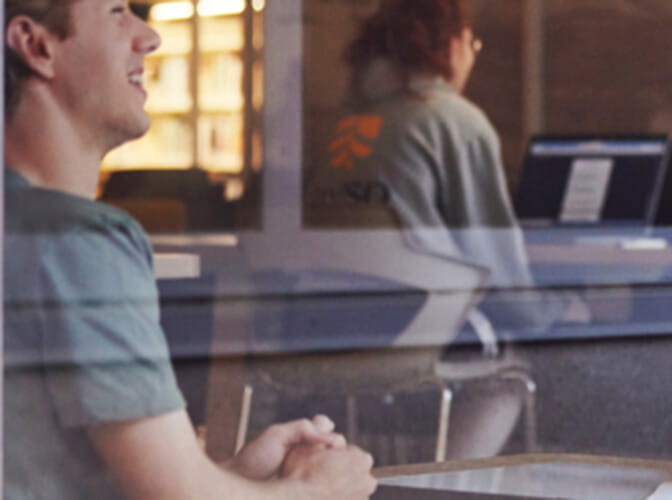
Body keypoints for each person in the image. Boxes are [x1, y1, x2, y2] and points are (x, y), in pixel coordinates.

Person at [3, 0, 377, 497]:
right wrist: (317, 489)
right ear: (37, 45)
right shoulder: (79, 242)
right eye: (117, 11)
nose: (150, 37)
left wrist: (233, 476)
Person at [301, 0, 554, 460]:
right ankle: (445, 488)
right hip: (410, 336)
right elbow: (495, 259)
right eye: (471, 43)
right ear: (452, 45)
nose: (472, 55)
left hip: (321, 337)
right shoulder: (453, 120)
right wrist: (551, 317)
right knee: (510, 372)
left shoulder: (339, 127)